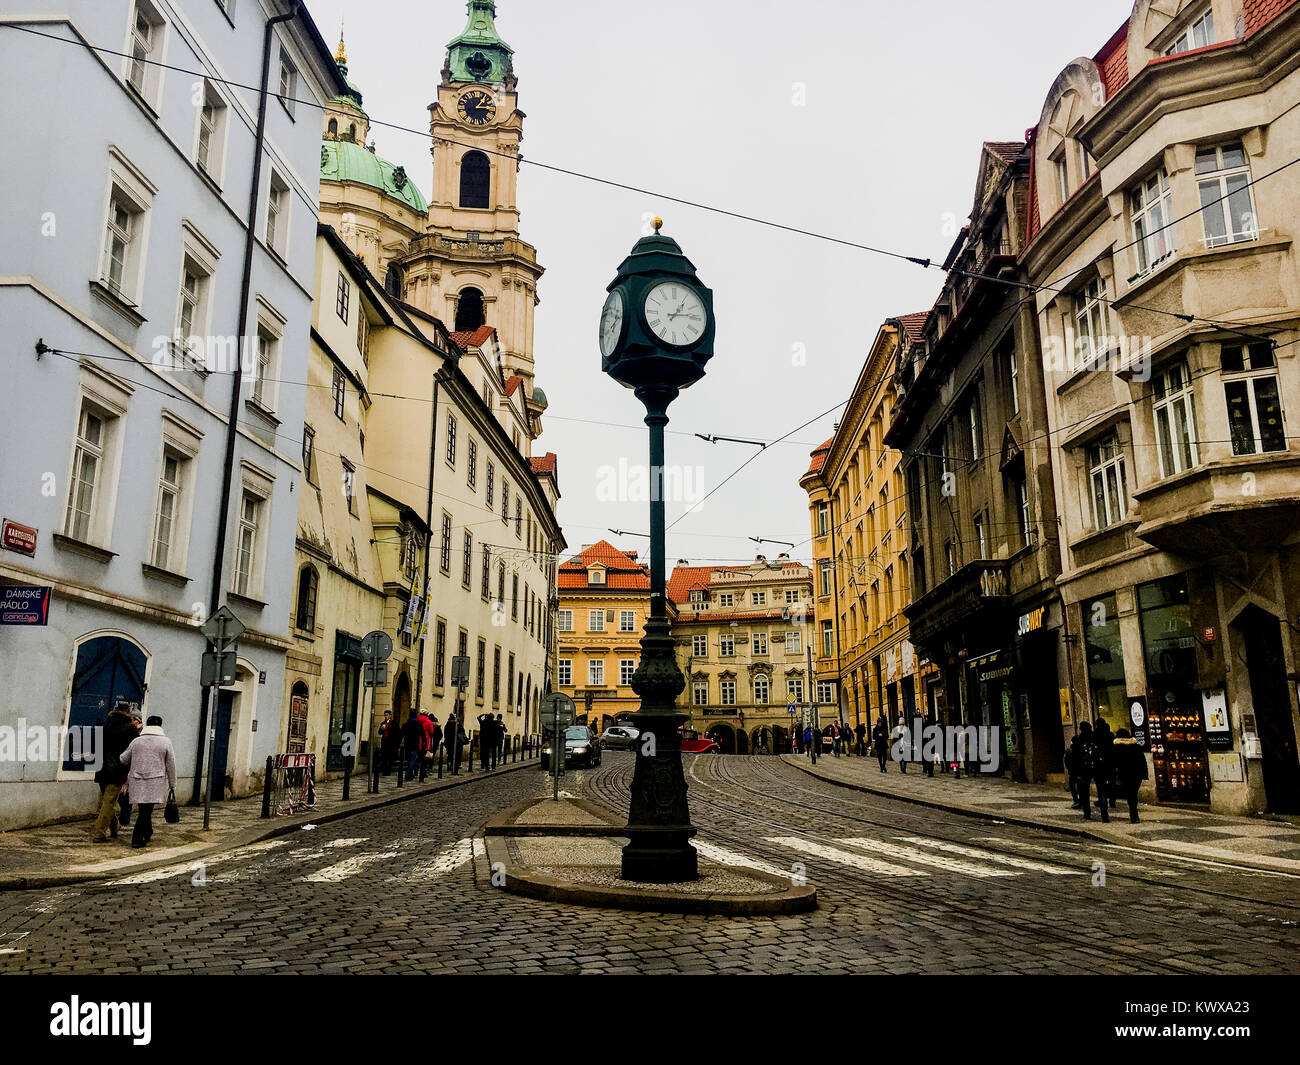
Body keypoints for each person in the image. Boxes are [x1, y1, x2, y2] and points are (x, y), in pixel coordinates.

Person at [118, 716, 176, 849]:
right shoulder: (165, 742)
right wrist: (172, 784)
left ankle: (147, 832)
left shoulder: (136, 741)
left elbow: (123, 759)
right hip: (155, 781)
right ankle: (137, 839)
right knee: (145, 811)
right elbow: (171, 764)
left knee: (144, 809)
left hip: (137, 780)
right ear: (160, 726)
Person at [92, 705, 138, 842]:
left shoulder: (105, 726)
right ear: (128, 713)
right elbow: (134, 750)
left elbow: (95, 747)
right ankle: (99, 833)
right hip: (118, 770)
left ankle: (114, 827)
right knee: (109, 802)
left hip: (101, 769)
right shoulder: (130, 729)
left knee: (106, 801)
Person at [1112, 728, 1148, 823]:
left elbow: (1114, 762)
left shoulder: (1117, 748)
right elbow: (1142, 761)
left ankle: (1134, 815)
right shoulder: (1136, 747)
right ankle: (1134, 815)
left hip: (1124, 774)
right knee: (1133, 794)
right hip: (1136, 775)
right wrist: (1144, 774)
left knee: (1130, 795)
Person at [1069, 721, 1098, 820]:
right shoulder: (1094, 738)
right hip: (1096, 768)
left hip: (1083, 770)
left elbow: (1075, 758)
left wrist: (1076, 773)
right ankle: (1104, 813)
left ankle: (1087, 812)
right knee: (1101, 790)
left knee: (1083, 792)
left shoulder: (1078, 740)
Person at [1093, 718, 1115, 823]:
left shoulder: (1095, 735)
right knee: (1110, 783)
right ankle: (1112, 800)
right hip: (1110, 764)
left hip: (1099, 766)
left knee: (1101, 789)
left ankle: (1104, 813)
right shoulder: (1110, 735)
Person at [401, 710, 427, 780]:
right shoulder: (418, 724)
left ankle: (410, 774)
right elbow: (423, 735)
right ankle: (408, 774)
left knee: (409, 759)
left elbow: (401, 734)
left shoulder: (405, 724)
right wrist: (424, 743)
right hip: (415, 744)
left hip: (407, 744)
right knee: (412, 759)